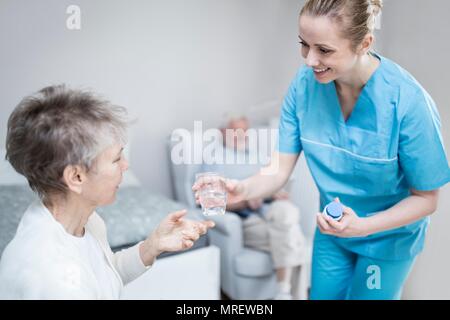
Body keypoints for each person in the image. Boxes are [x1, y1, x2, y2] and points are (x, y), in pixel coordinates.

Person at [194, 0, 450, 299]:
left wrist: (364, 226)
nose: (309, 60)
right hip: (332, 231)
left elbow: (426, 199)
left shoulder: (408, 102)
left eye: (324, 50)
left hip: (387, 242)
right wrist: (244, 188)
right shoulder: (304, 87)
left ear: (364, 43)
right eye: (305, 45)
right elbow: (279, 169)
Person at [0, 85, 215, 299]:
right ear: (76, 177)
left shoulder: (84, 221)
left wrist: (152, 245)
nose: (126, 165)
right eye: (116, 158)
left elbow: (106, 275)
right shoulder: (56, 281)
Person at [201, 114, 307, 300]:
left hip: (270, 212)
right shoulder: (214, 159)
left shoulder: (256, 156)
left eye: (245, 131)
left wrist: (274, 192)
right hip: (246, 220)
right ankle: (289, 294)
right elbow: (209, 203)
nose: (241, 135)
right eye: (236, 130)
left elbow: (271, 183)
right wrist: (245, 200)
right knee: (294, 237)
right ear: (223, 132)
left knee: (286, 210)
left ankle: (283, 294)